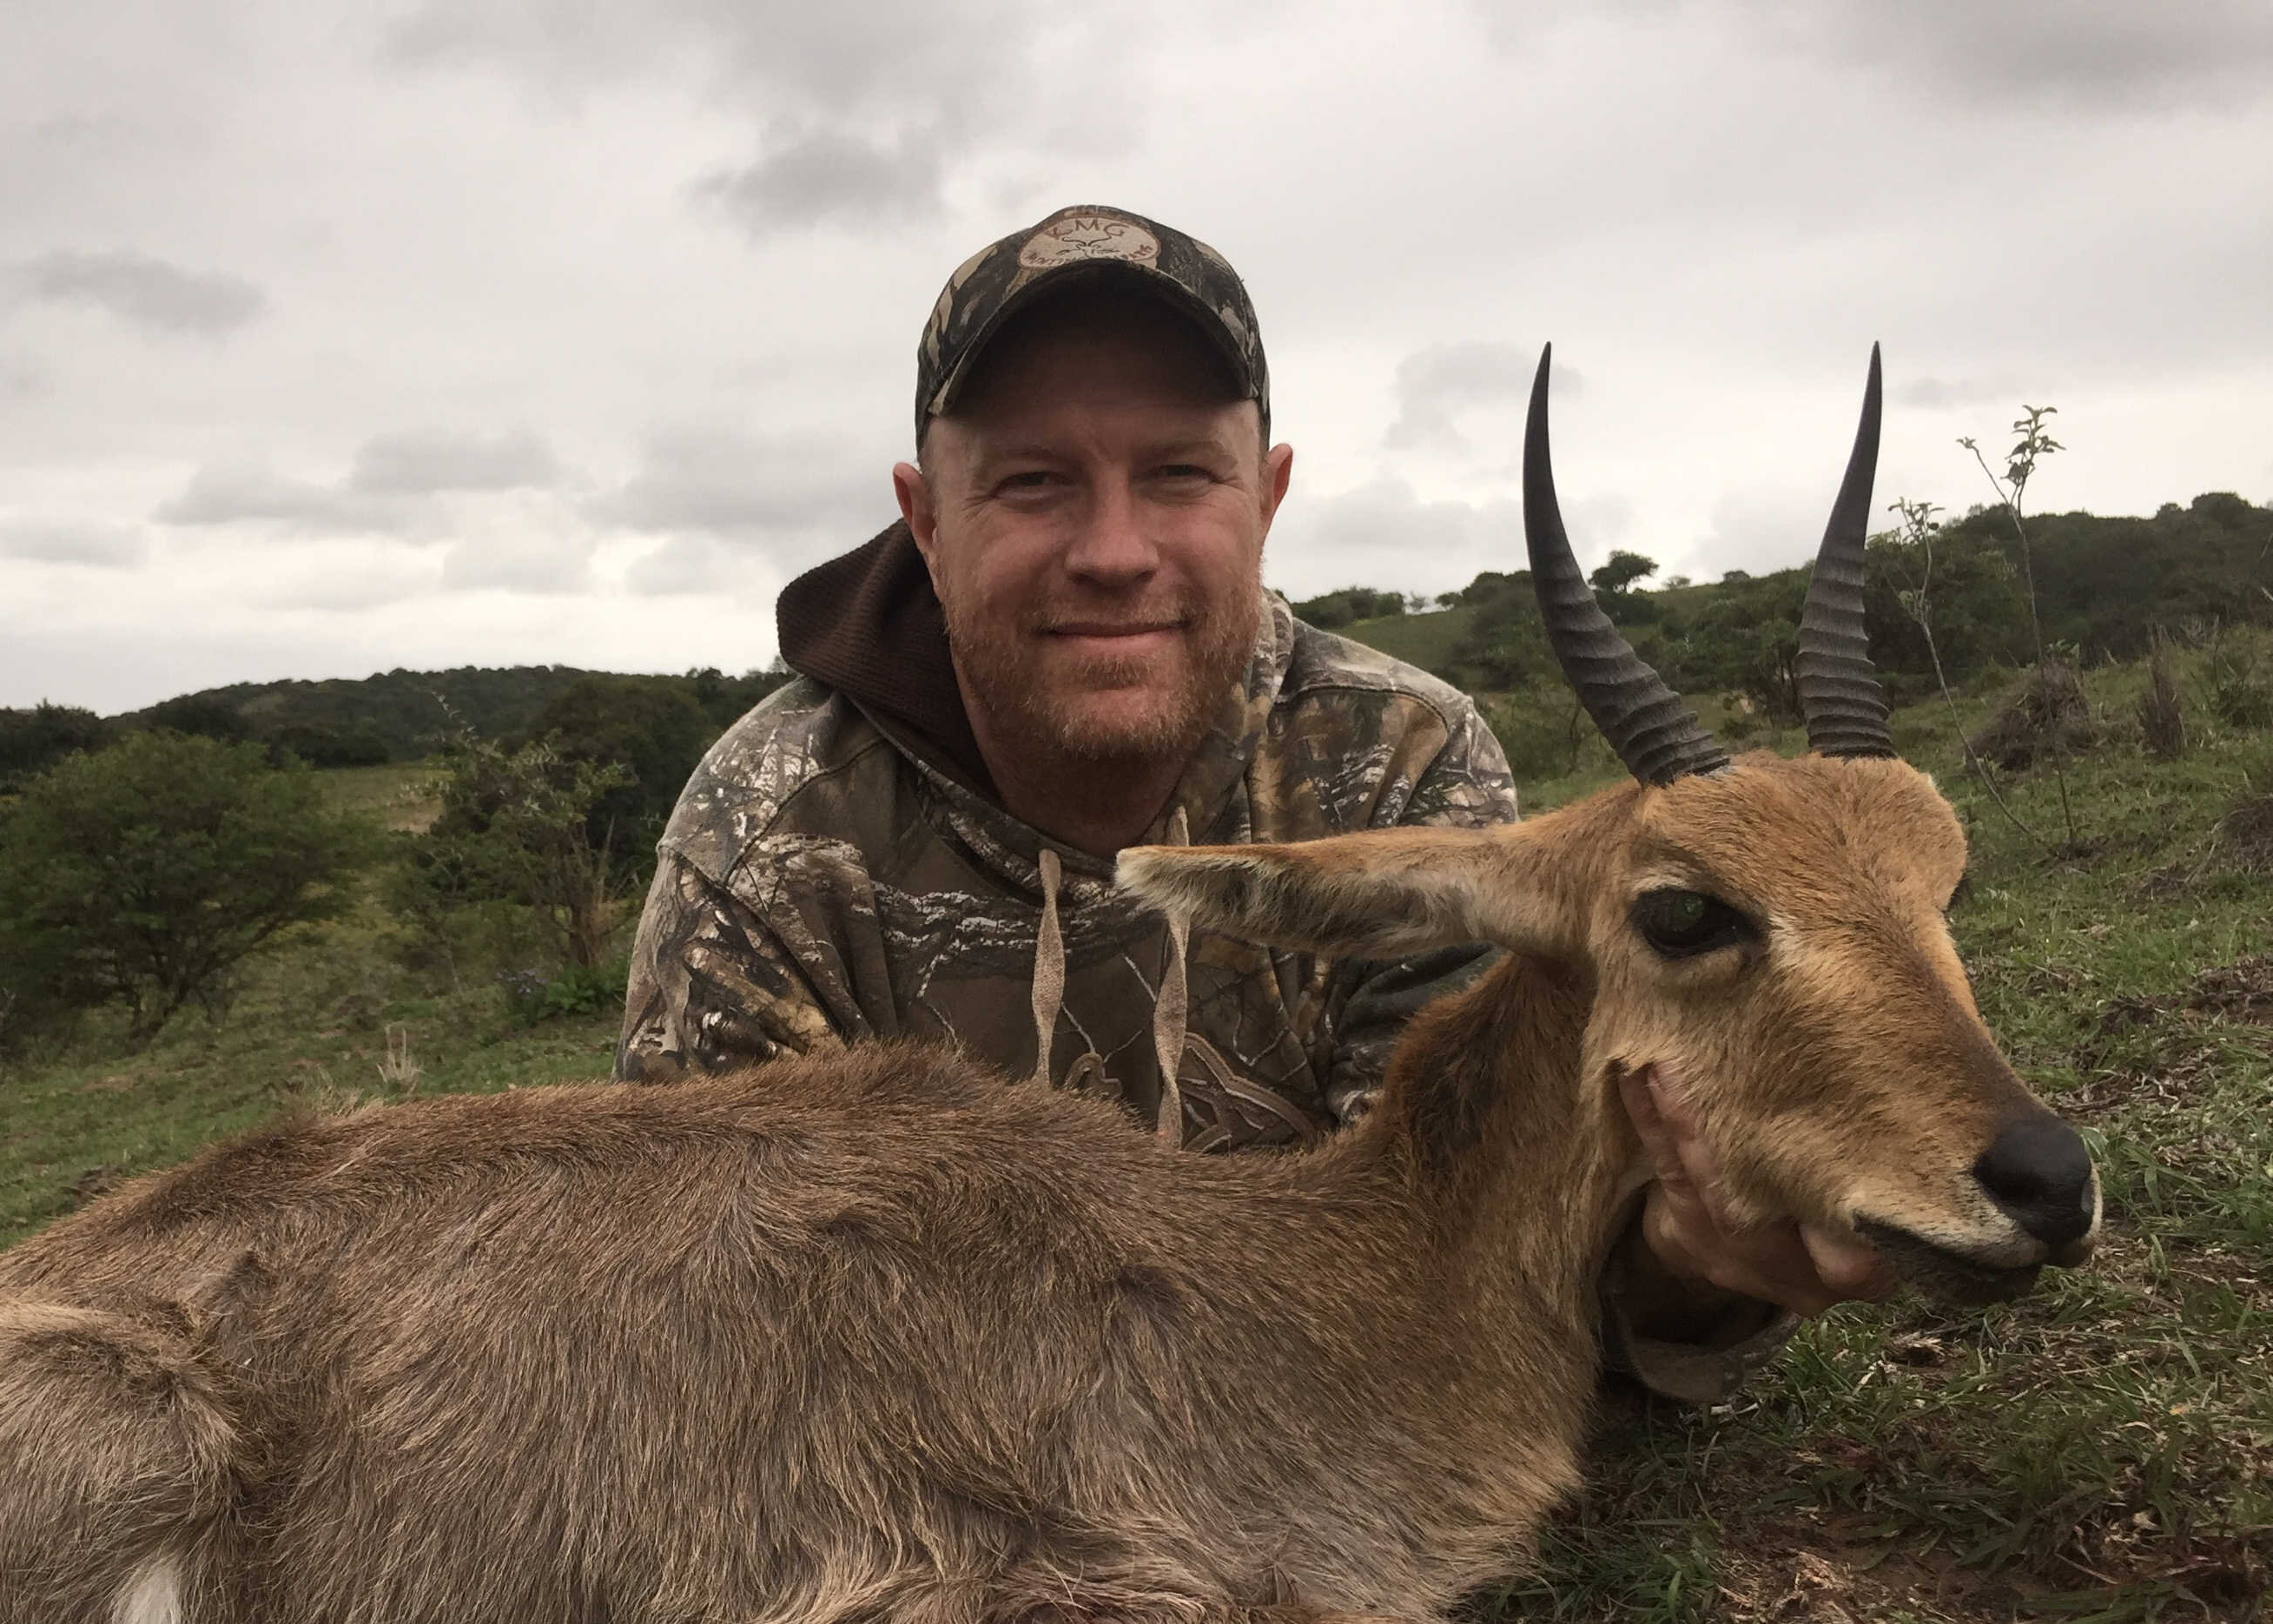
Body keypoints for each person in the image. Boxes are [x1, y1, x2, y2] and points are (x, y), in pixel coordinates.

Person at [617, 203, 1892, 1397]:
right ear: (926, 520)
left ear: (1268, 499)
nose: (1115, 553)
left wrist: (1686, 1272)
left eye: (1180, 475)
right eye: (1031, 483)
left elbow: (1470, 1257)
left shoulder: (1410, 765)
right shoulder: (764, 833)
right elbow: (727, 1346)